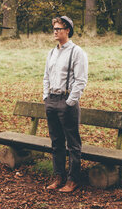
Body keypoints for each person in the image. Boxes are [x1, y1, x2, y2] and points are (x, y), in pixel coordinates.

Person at [43, 16, 88, 193]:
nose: (55, 31)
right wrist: (46, 96)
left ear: (67, 30)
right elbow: (46, 76)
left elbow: (81, 80)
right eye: (54, 28)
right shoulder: (51, 53)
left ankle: (73, 179)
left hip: (66, 101)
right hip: (51, 100)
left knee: (73, 144)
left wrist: (70, 101)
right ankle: (58, 176)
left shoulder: (77, 52)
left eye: (59, 29)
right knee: (56, 142)